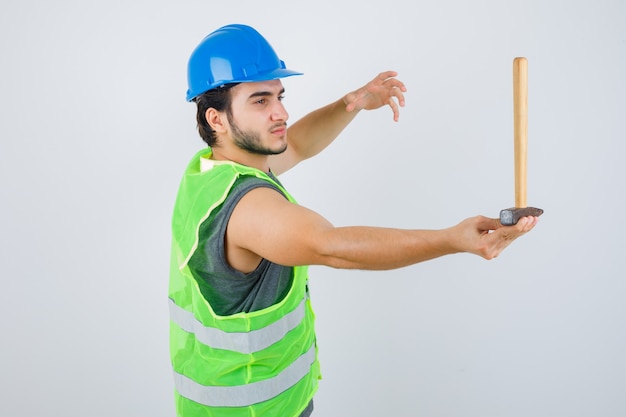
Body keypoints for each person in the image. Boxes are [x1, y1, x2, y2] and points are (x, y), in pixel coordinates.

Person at [168, 24, 539, 417]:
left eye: (279, 95)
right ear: (217, 119)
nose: (281, 112)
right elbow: (333, 247)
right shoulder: (248, 207)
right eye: (260, 101)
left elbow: (296, 142)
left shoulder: (210, 172)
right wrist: (454, 239)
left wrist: (353, 103)